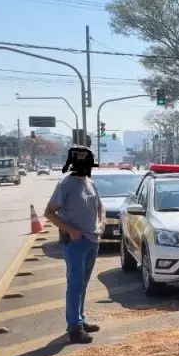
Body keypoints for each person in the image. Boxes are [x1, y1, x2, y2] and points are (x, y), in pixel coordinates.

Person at [44, 146, 104, 344]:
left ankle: (80, 318)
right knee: (75, 284)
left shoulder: (90, 183)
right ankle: (74, 327)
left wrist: (101, 224)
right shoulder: (65, 184)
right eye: (80, 159)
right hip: (75, 243)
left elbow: (100, 207)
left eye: (87, 159)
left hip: (92, 239)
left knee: (84, 283)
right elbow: (49, 212)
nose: (84, 162)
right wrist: (71, 231)